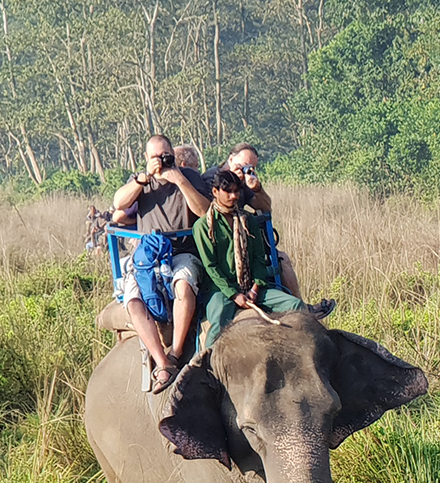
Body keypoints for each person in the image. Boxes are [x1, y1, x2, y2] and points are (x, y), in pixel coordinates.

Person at [111, 133, 212, 391]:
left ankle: (176, 353)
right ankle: (161, 361)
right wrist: (142, 179)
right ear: (146, 158)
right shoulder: (140, 182)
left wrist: (179, 180)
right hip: (147, 257)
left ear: (173, 155)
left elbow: (204, 211)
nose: (161, 161)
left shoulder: (188, 176)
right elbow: (118, 203)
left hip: (181, 252)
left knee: (184, 285)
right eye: (155, 157)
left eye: (165, 155)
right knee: (132, 301)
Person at [195, 169, 318, 346]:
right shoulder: (203, 227)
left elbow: (259, 259)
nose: (233, 196)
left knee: (296, 305)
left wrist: (255, 288)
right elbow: (211, 267)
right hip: (220, 290)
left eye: (236, 191)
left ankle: (309, 347)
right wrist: (233, 294)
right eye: (227, 191)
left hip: (251, 287)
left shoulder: (249, 221)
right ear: (215, 192)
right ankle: (205, 369)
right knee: (219, 322)